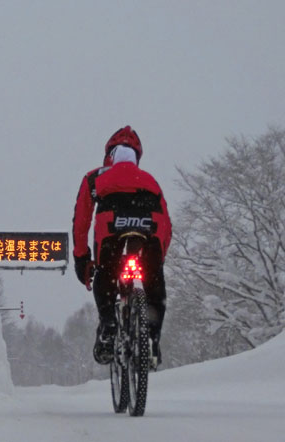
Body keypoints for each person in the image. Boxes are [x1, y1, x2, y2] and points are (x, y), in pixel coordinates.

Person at [72, 126, 172, 366]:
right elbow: (166, 225)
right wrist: (159, 260)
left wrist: (82, 258)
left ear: (110, 154)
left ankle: (108, 325)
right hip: (150, 227)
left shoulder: (95, 178)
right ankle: (152, 341)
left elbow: (82, 220)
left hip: (111, 227)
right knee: (154, 284)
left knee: (106, 273)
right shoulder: (150, 181)